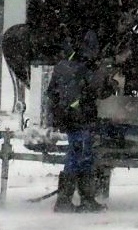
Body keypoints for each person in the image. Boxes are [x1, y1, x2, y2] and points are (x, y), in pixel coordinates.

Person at [46, 30, 109, 213]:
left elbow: (51, 92)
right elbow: (100, 91)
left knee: (78, 156)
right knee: (81, 157)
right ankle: (76, 200)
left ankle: (72, 200)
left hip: (69, 118)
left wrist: (64, 107)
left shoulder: (62, 66)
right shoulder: (87, 70)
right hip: (82, 119)